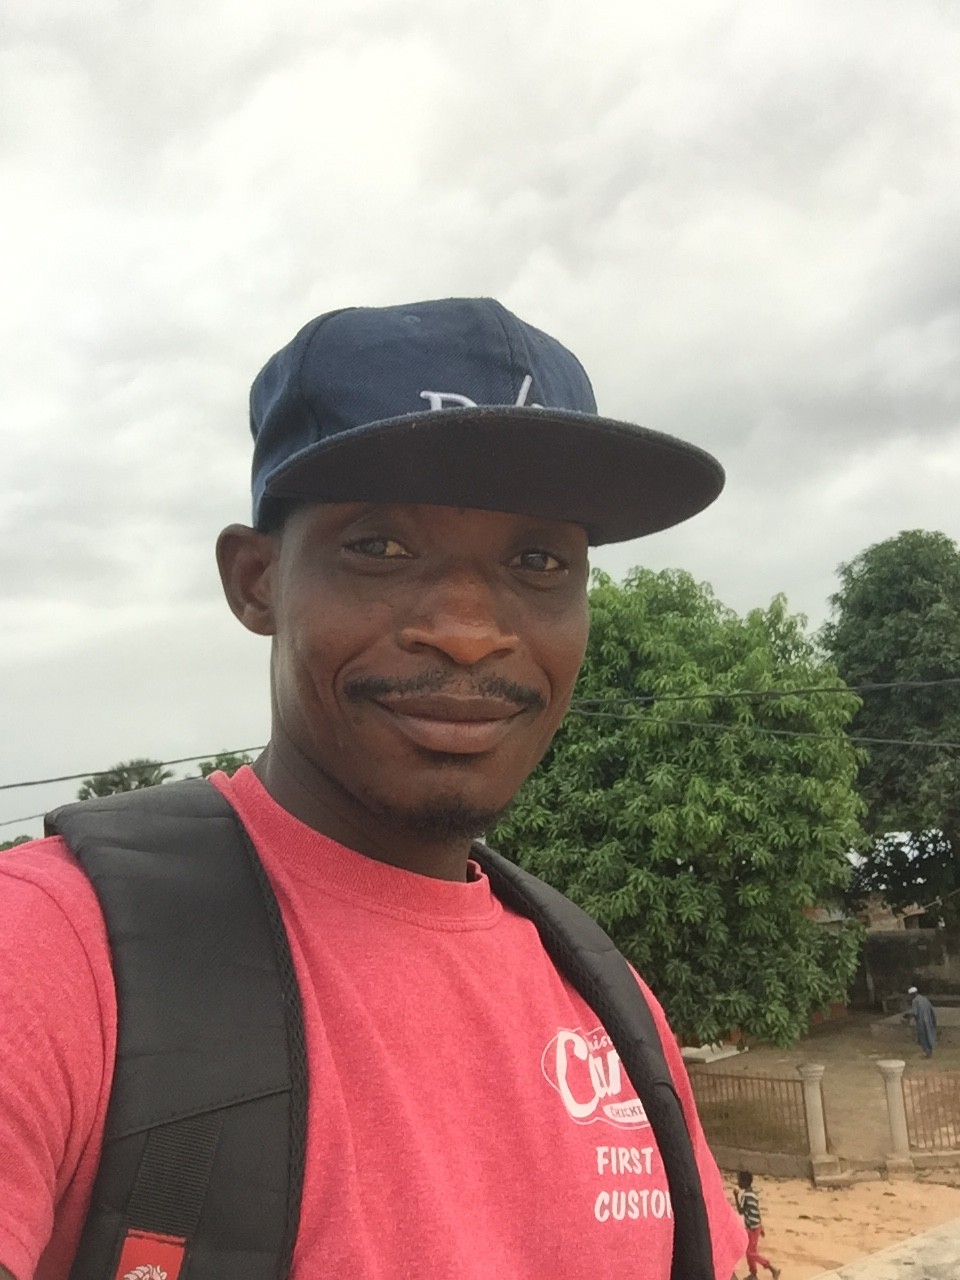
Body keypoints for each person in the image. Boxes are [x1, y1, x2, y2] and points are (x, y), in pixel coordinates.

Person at [0, 296, 746, 1279]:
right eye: (381, 547)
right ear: (257, 580)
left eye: (536, 560)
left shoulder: (609, 1002)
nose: (469, 632)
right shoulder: (55, 951)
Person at [734, 1171, 780, 1279]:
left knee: (751, 1253)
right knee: (750, 1252)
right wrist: (761, 1226)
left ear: (745, 1182)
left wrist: (736, 1196)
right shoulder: (754, 1195)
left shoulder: (745, 1196)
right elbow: (756, 1211)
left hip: (752, 1228)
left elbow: (740, 1211)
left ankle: (772, 1268)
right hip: (755, 1227)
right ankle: (753, 1274)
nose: (738, 1182)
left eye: (739, 1180)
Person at [908, 985, 937, 1057]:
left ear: (912, 994)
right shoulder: (924, 999)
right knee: (929, 1034)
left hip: (921, 1021)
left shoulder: (915, 1001)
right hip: (929, 1020)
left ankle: (927, 1052)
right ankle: (931, 1050)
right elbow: (931, 1009)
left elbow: (915, 1013)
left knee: (923, 1036)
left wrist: (908, 1016)